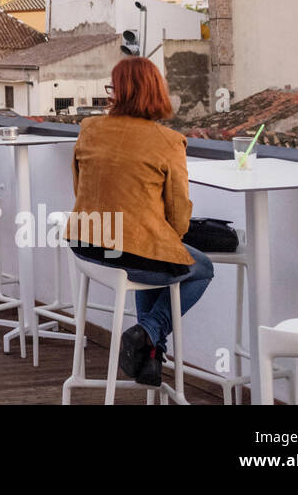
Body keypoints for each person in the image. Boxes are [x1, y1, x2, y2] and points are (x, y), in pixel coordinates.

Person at [66, 56, 214, 386]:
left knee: (151, 255)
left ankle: (150, 359)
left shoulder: (89, 129)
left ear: (120, 93)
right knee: (200, 267)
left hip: (84, 246)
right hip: (129, 255)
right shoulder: (168, 142)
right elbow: (178, 219)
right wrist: (157, 233)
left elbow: (80, 190)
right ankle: (146, 331)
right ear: (155, 92)